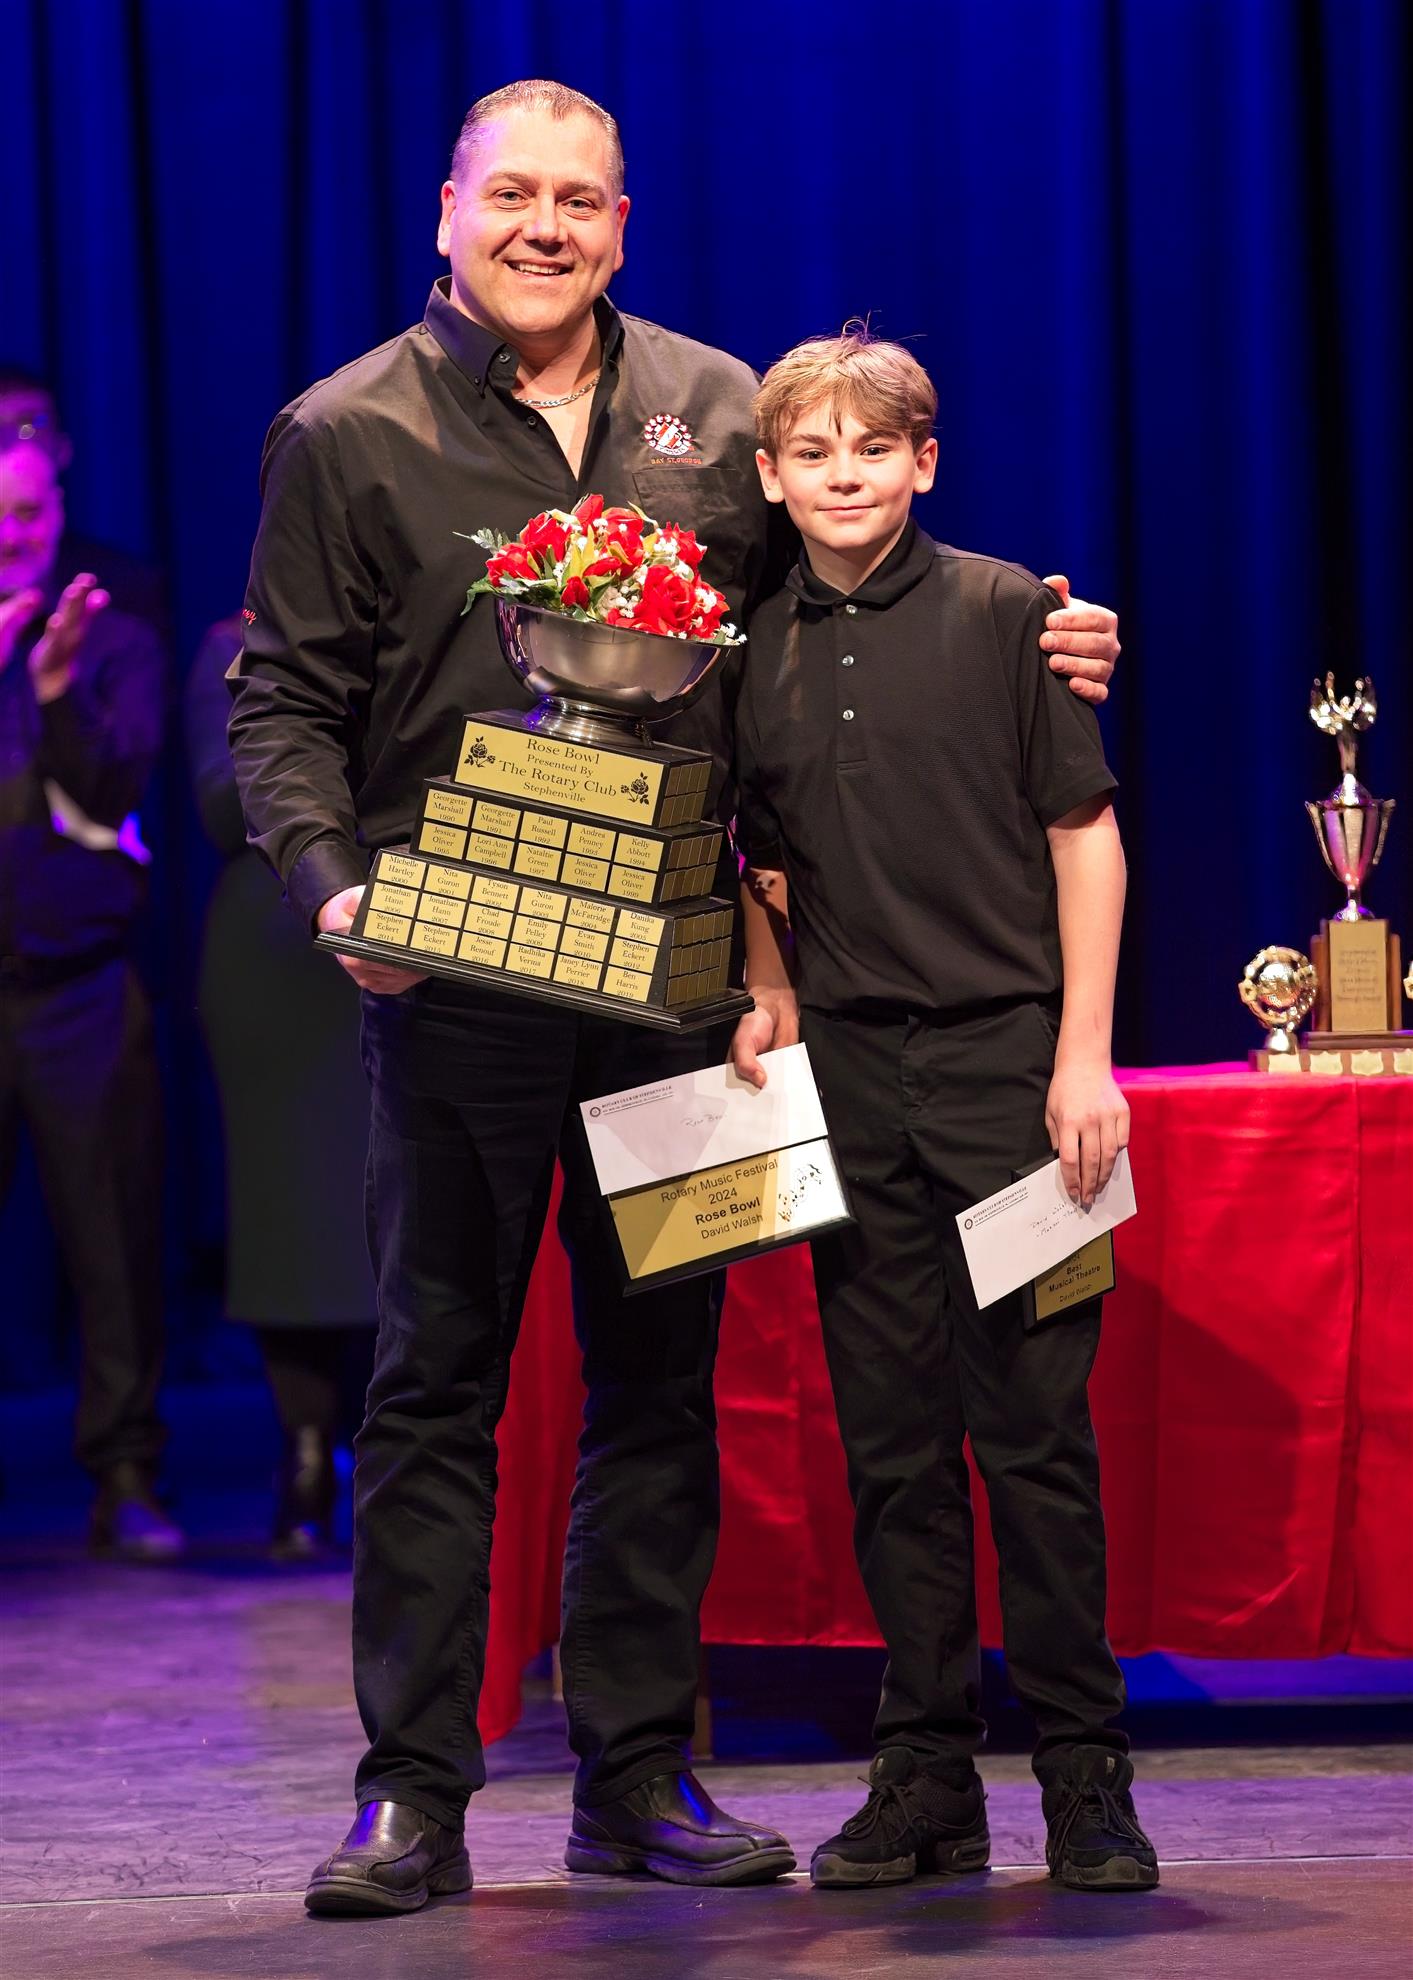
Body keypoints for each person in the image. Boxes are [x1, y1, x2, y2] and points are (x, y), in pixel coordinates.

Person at [227, 80, 1120, 1917]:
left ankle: (634, 1778)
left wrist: (1036, 635)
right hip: (462, 979)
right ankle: (413, 1797)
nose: (543, 228)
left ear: (622, 223)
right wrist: (333, 889)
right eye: (511, 196)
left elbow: (852, 597)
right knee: (435, 1389)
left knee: (658, 1391)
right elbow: (283, 705)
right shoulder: (344, 430)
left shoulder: (716, 411)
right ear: (449, 211)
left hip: (684, 993)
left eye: (580, 200)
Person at [730, 327, 1156, 1893]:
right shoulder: (746, 642)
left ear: (924, 461)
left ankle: (1085, 1774)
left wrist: (1082, 1057)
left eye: (873, 449)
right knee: (893, 1446)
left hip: (1011, 1076)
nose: (843, 476)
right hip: (851, 1085)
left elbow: (1083, 836)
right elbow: (754, 852)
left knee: (1035, 1435)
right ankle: (923, 1778)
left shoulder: (1006, 613)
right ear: (768, 476)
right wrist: (766, 980)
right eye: (812, 454)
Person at [0, 434, 180, 1560]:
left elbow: (114, 785)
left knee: (113, 1240)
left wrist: (56, 691)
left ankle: (125, 1475)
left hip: (77, 987)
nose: (11, 534)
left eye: (27, 511)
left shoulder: (111, 634)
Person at [186, 615, 377, 1560]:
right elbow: (221, 806)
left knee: (398, 1206)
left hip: (400, 931)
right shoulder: (234, 641)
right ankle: (303, 1458)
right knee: (287, 1217)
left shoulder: (412, 626)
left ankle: (388, 1465)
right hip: (277, 950)